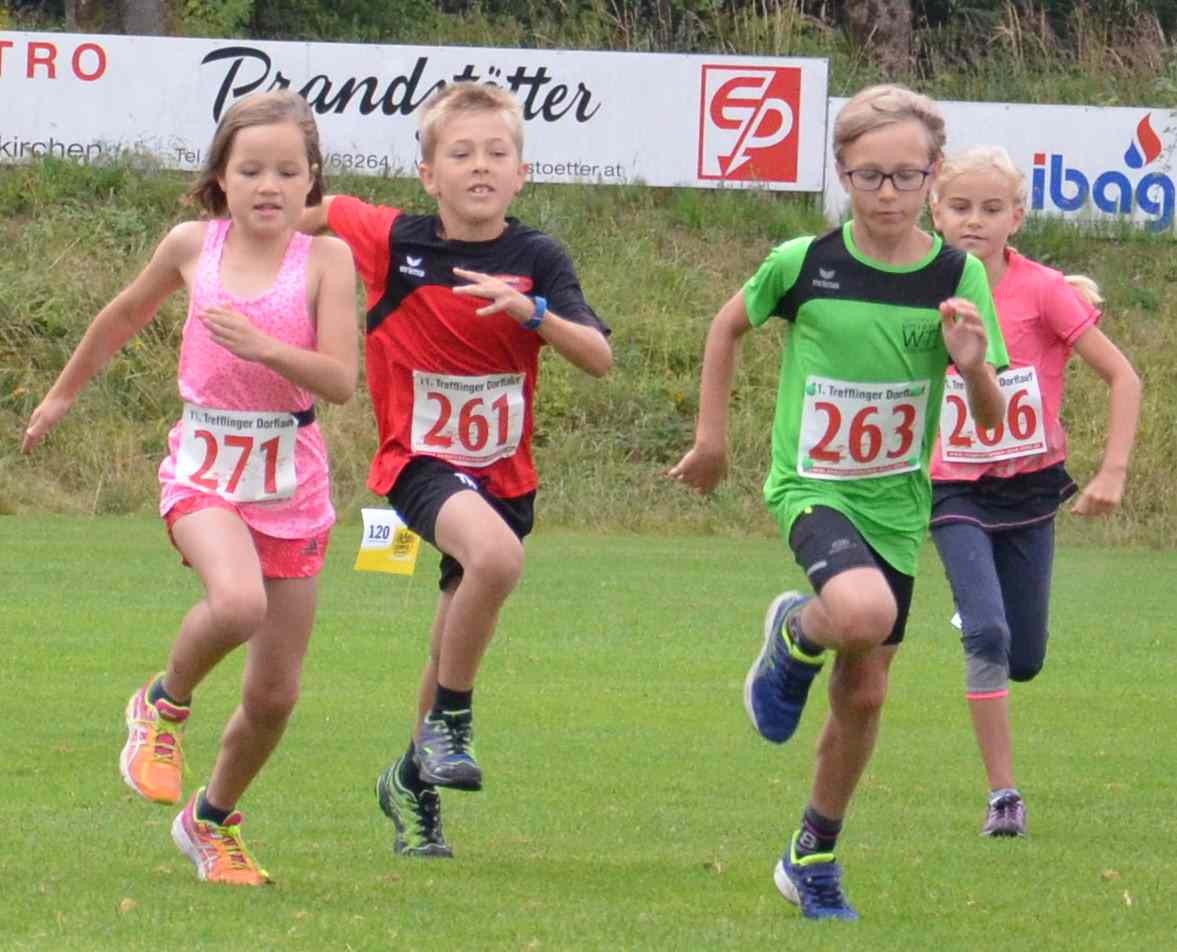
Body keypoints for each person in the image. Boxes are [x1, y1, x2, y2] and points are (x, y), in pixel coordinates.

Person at [670, 84, 1008, 921]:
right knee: (857, 612)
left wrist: (971, 365)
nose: (887, 194)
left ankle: (811, 854)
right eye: (868, 177)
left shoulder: (957, 274)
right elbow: (725, 327)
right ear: (841, 174)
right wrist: (712, 440)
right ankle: (796, 630)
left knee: (864, 694)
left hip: (895, 505)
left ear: (932, 176)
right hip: (811, 486)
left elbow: (990, 416)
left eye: (905, 176)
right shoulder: (802, 263)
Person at [22, 90, 359, 886]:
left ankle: (209, 821)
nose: (269, 185)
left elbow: (341, 381)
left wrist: (265, 347)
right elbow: (122, 315)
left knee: (275, 696)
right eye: (251, 170)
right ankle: (161, 706)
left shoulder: (328, 260)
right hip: (204, 469)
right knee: (237, 604)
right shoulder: (190, 245)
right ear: (220, 177)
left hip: (291, 483)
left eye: (288, 171)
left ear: (312, 180)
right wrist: (62, 395)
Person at [299, 82, 611, 859]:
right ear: (428, 174)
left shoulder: (538, 258)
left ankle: (412, 783)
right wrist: (232, 244)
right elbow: (312, 209)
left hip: (504, 479)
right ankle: (453, 722)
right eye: (461, 153)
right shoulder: (392, 241)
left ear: (521, 172)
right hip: (419, 463)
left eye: (496, 153)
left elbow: (598, 356)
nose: (479, 166)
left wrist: (531, 312)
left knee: (449, 643)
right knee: (497, 561)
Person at [928, 145, 1142, 838]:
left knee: (1023, 659)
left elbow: (1124, 377)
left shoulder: (1044, 290)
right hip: (952, 488)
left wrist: (1112, 471)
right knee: (989, 634)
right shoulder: (919, 286)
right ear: (935, 211)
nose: (974, 220)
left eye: (991, 209)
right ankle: (1003, 797)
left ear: (1016, 217)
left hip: (1028, 492)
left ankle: (978, 609)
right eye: (960, 206)